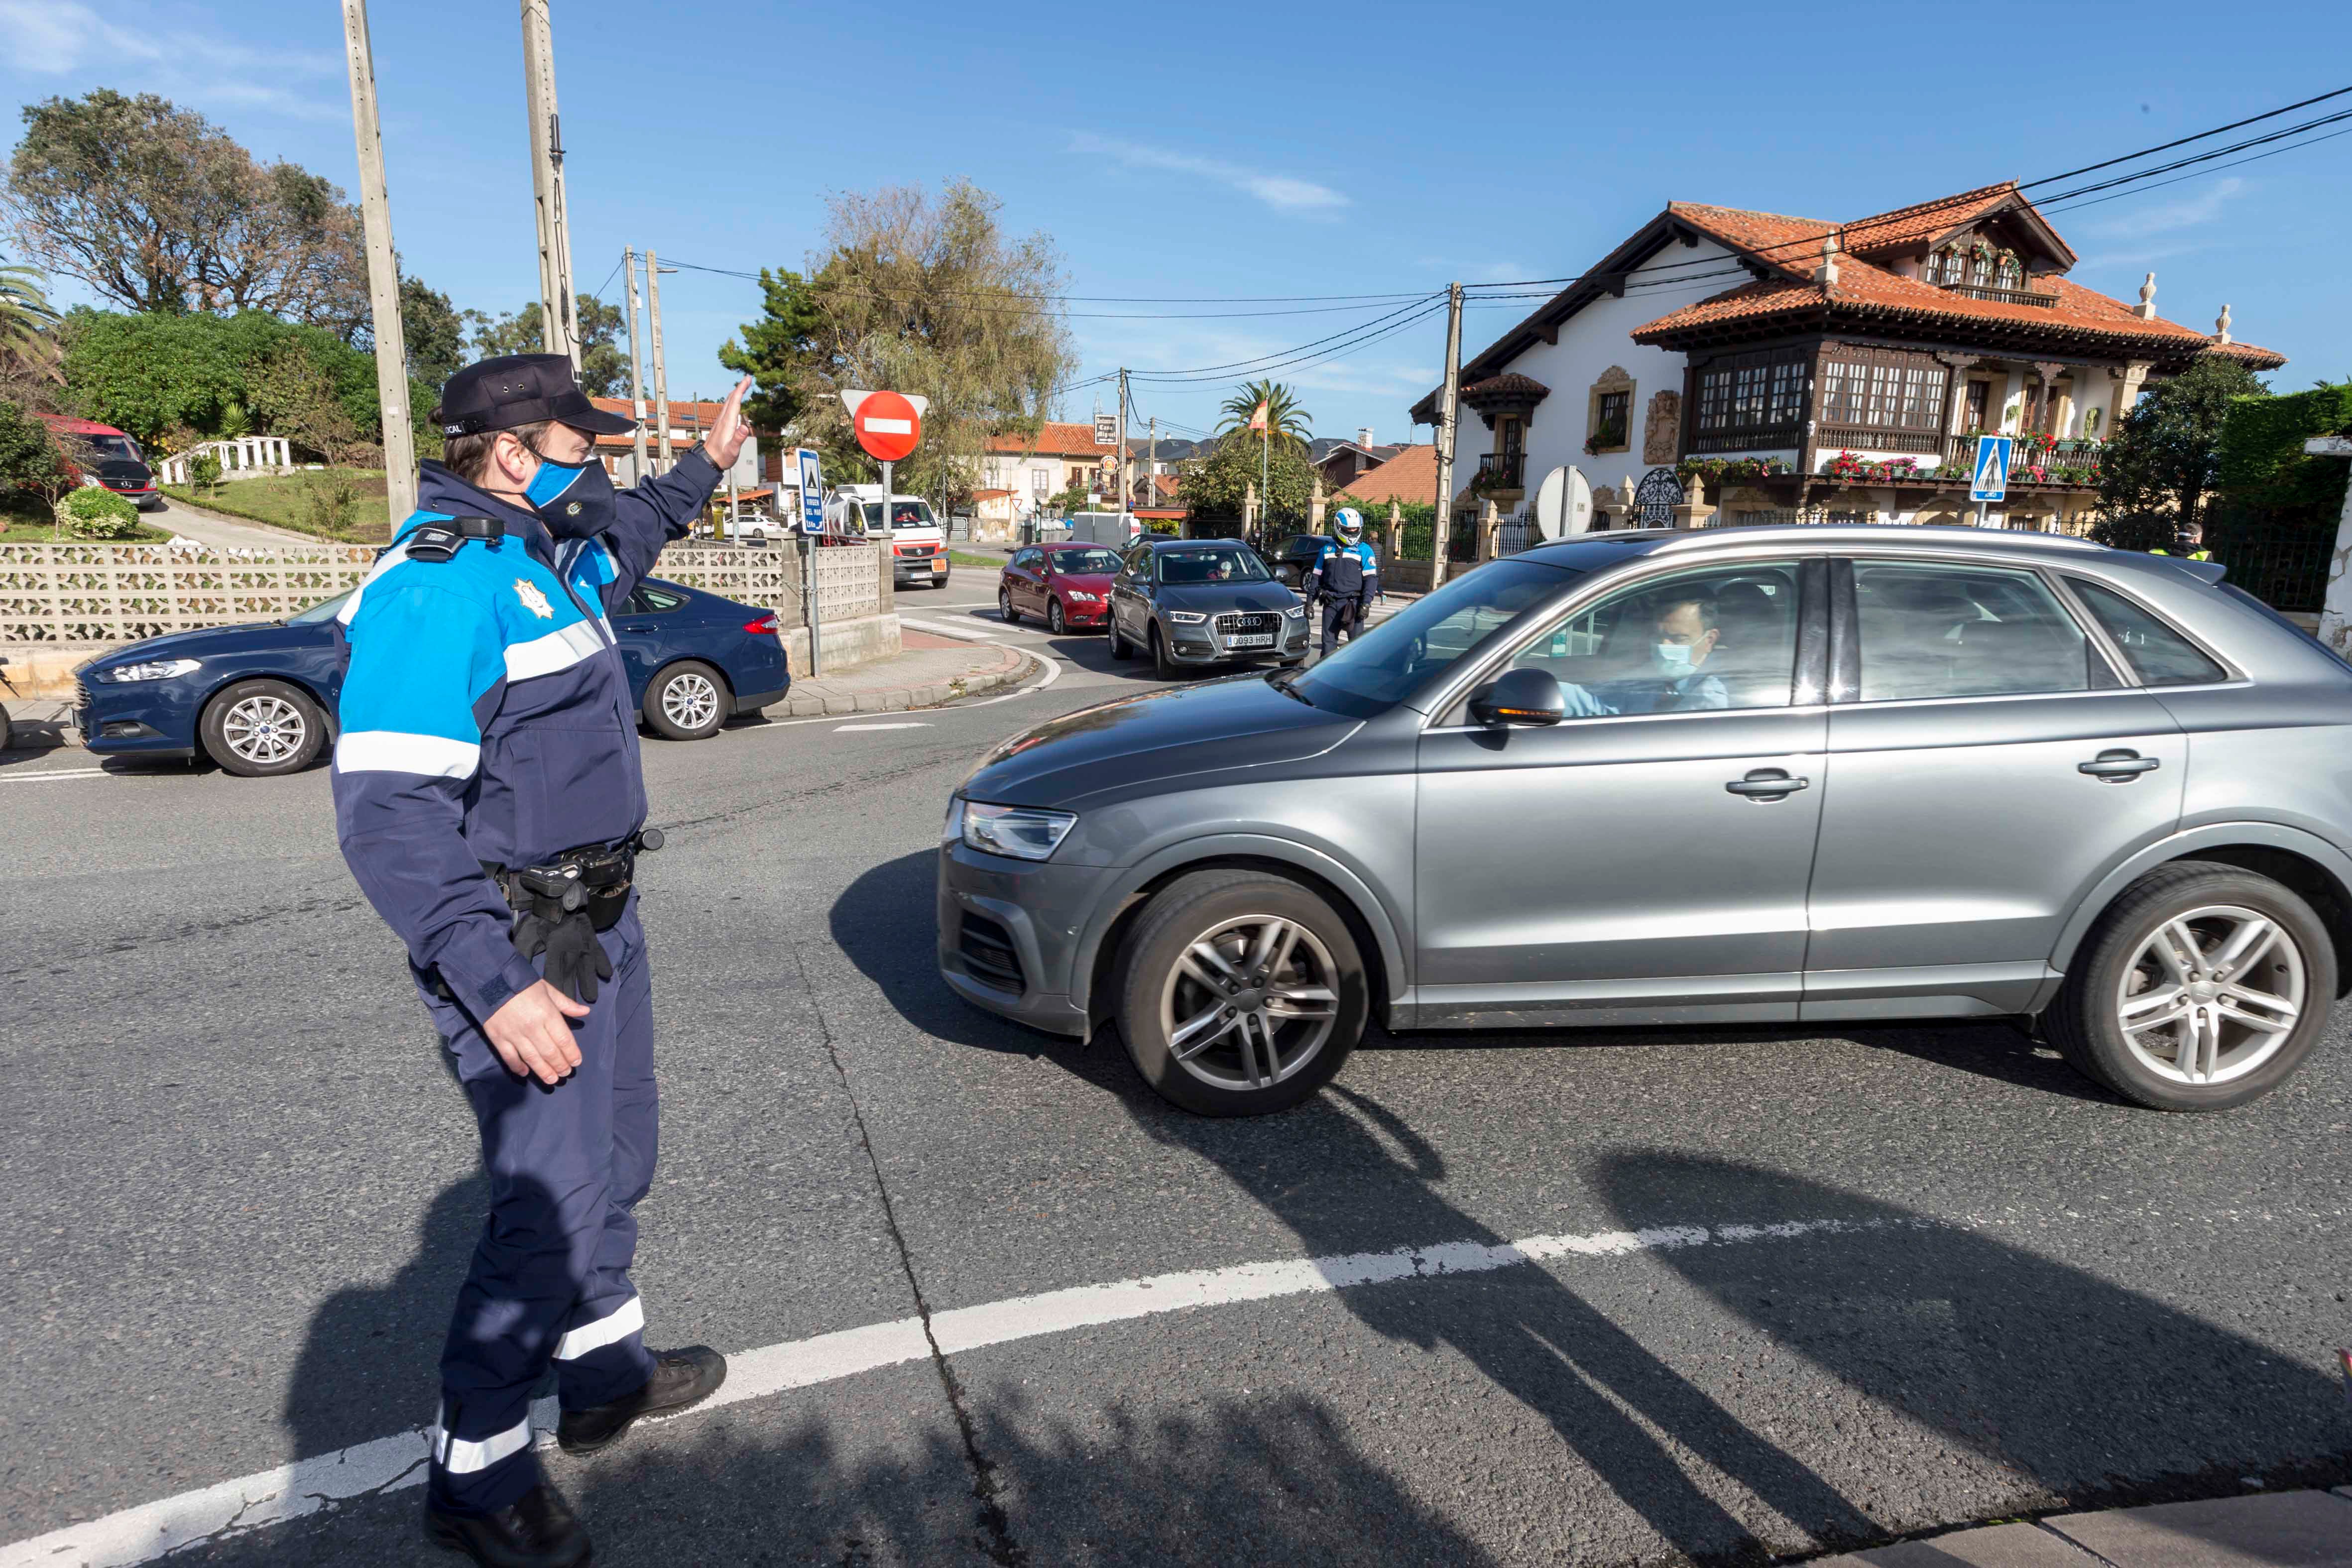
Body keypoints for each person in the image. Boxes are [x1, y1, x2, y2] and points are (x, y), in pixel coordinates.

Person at [332, 355, 755, 1567]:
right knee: (546, 1204)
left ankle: (603, 1375)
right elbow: (390, 815)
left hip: (597, 923)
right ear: (510, 450)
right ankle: (474, 1472)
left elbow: (633, 529)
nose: (598, 457)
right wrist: (495, 978)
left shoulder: (543, 550)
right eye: (581, 438)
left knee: (620, 1156)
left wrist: (704, 463)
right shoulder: (439, 586)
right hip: (520, 945)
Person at [1559, 596, 1729, 716]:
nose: (1664, 646)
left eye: (1678, 639)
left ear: (1709, 640)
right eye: (1657, 637)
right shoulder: (1650, 680)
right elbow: (1599, 705)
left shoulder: (1714, 699)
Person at [1305, 506, 1381, 656]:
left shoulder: (1365, 550)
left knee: (1357, 648)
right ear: (1339, 527)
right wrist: (1309, 603)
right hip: (1331, 603)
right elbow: (1316, 577)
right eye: (1349, 529)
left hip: (1354, 605)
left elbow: (1371, 580)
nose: (1353, 532)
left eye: (1356, 529)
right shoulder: (1326, 550)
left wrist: (1366, 603)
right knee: (1328, 648)